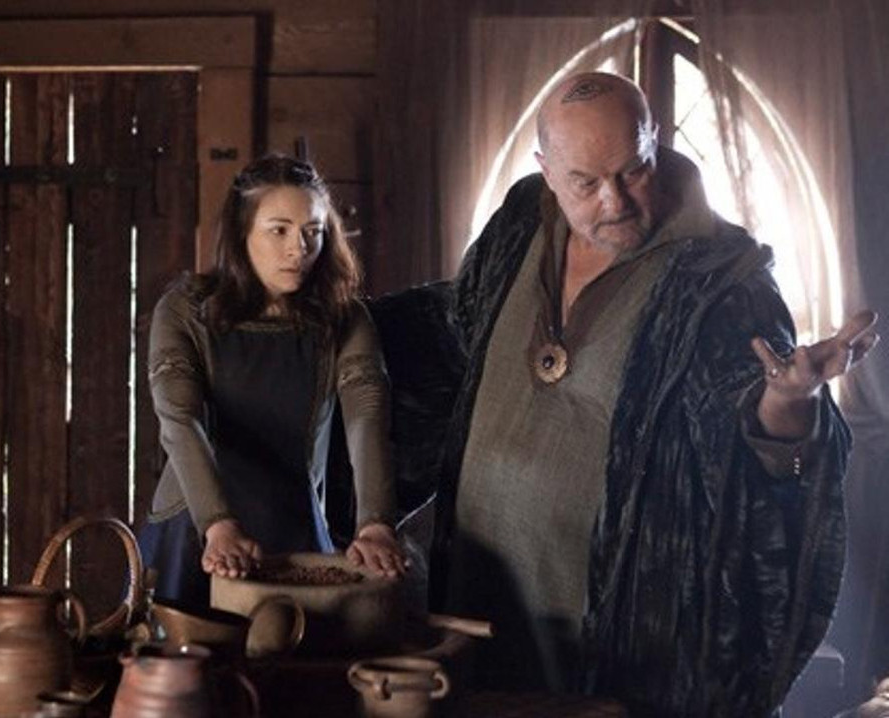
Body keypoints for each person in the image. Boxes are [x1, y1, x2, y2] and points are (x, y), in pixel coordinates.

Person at [374, 72, 878, 716]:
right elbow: (456, 329)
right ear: (546, 172)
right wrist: (330, 327)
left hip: (619, 633)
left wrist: (789, 402)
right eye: (585, 183)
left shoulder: (722, 282)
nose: (613, 201)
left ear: (654, 141)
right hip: (477, 591)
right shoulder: (521, 223)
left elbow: (749, 449)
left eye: (632, 171)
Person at [139, 154, 406, 607]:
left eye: (312, 232)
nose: (298, 249)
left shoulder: (345, 319)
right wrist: (217, 525)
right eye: (279, 230)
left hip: (294, 522)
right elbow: (180, 418)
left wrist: (376, 524)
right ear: (242, 231)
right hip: (194, 527)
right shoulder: (185, 310)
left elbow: (367, 417)